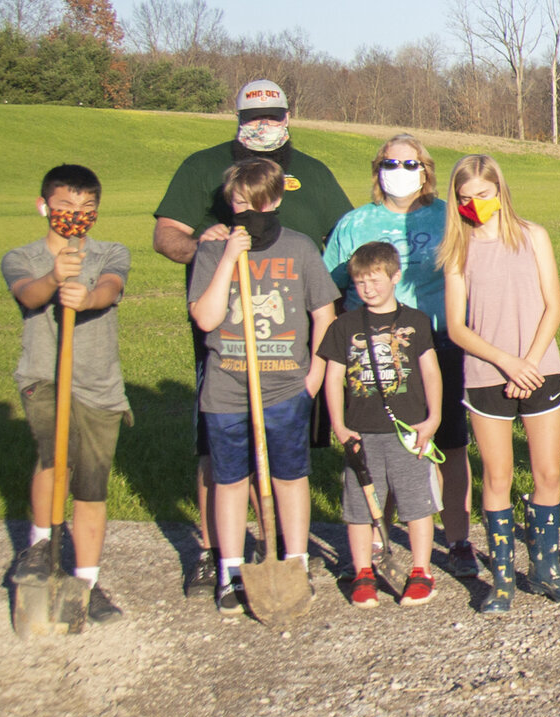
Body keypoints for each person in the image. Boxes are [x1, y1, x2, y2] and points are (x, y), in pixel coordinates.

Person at [152, 79, 354, 594]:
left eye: (274, 114)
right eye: (253, 115)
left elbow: (345, 236)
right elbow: (166, 234)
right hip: (227, 338)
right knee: (218, 453)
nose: (263, 125)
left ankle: (288, 554)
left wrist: (326, 341)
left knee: (290, 459)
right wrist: (205, 245)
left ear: (289, 115)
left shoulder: (312, 172)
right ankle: (215, 554)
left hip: (292, 348)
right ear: (237, 115)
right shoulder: (204, 166)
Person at [188, 157, 339, 616]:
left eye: (255, 205)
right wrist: (231, 257)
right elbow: (206, 317)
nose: (246, 214)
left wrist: (313, 377)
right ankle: (231, 570)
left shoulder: (298, 249)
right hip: (227, 389)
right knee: (230, 481)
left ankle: (295, 561)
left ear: (274, 201)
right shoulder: (213, 252)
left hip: (285, 389)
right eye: (237, 205)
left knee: (290, 477)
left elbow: (323, 315)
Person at [322, 134, 475, 578]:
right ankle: (376, 536)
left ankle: (460, 538)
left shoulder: (447, 217)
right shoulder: (354, 223)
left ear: (426, 171)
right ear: (378, 169)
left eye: (412, 165)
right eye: (392, 163)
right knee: (376, 446)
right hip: (369, 349)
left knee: (447, 443)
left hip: (437, 343)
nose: (401, 172)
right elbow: (328, 290)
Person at [441, 153, 560, 614]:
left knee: (548, 473)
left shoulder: (534, 236)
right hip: (486, 376)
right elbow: (457, 327)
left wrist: (530, 363)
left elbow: (553, 306)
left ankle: (546, 570)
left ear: (500, 191)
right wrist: (505, 363)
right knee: (497, 476)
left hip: (540, 370)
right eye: (465, 198)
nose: (475, 204)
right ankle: (502, 580)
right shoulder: (457, 251)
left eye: (483, 195)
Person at [1, 164, 132, 621]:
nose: (76, 215)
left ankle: (86, 583)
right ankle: (40, 552)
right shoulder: (21, 256)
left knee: (92, 485)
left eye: (86, 208)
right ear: (44, 207)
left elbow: (110, 289)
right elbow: (29, 295)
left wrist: (87, 297)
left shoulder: (111, 251)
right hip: (45, 375)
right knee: (55, 457)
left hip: (98, 383)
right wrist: (56, 278)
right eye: (65, 207)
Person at [318, 241, 444, 608]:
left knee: (417, 505)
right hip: (361, 430)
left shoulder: (416, 322)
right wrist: (338, 425)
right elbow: (333, 379)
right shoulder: (344, 326)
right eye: (360, 283)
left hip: (408, 432)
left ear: (395, 277)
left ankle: (421, 571)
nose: (368, 289)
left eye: (375, 280)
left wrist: (432, 419)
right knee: (360, 507)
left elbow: (431, 372)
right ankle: (362, 572)